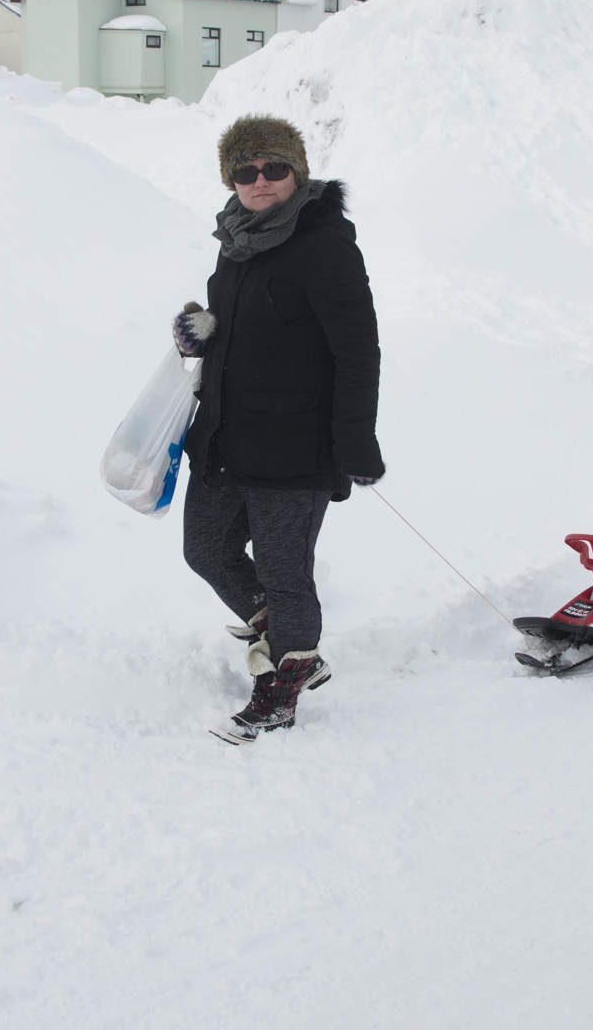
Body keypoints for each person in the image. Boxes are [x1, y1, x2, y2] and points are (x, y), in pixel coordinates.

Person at [173, 115, 384, 744]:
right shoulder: (236, 241)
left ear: (298, 173)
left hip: (296, 442)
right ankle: (293, 641)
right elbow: (240, 323)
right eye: (246, 171)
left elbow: (358, 350)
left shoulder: (325, 244)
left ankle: (281, 686)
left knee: (285, 570)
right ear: (231, 181)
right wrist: (200, 331)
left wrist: (355, 440)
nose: (260, 180)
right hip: (226, 435)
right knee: (205, 550)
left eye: (274, 168)